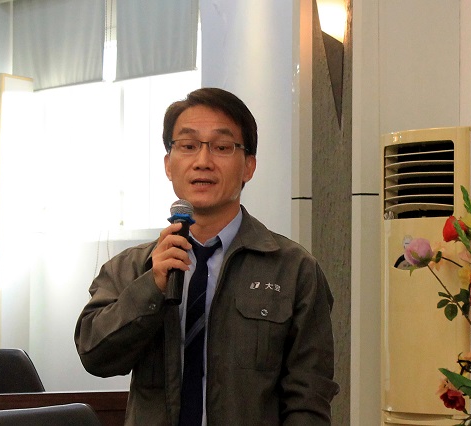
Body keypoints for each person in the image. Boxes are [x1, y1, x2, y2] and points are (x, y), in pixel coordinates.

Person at [74, 87, 339, 425]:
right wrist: (151, 287)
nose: (202, 161)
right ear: (169, 165)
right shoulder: (132, 267)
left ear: (249, 166)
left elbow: (309, 398)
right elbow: (95, 356)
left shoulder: (293, 269)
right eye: (187, 146)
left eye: (222, 147)